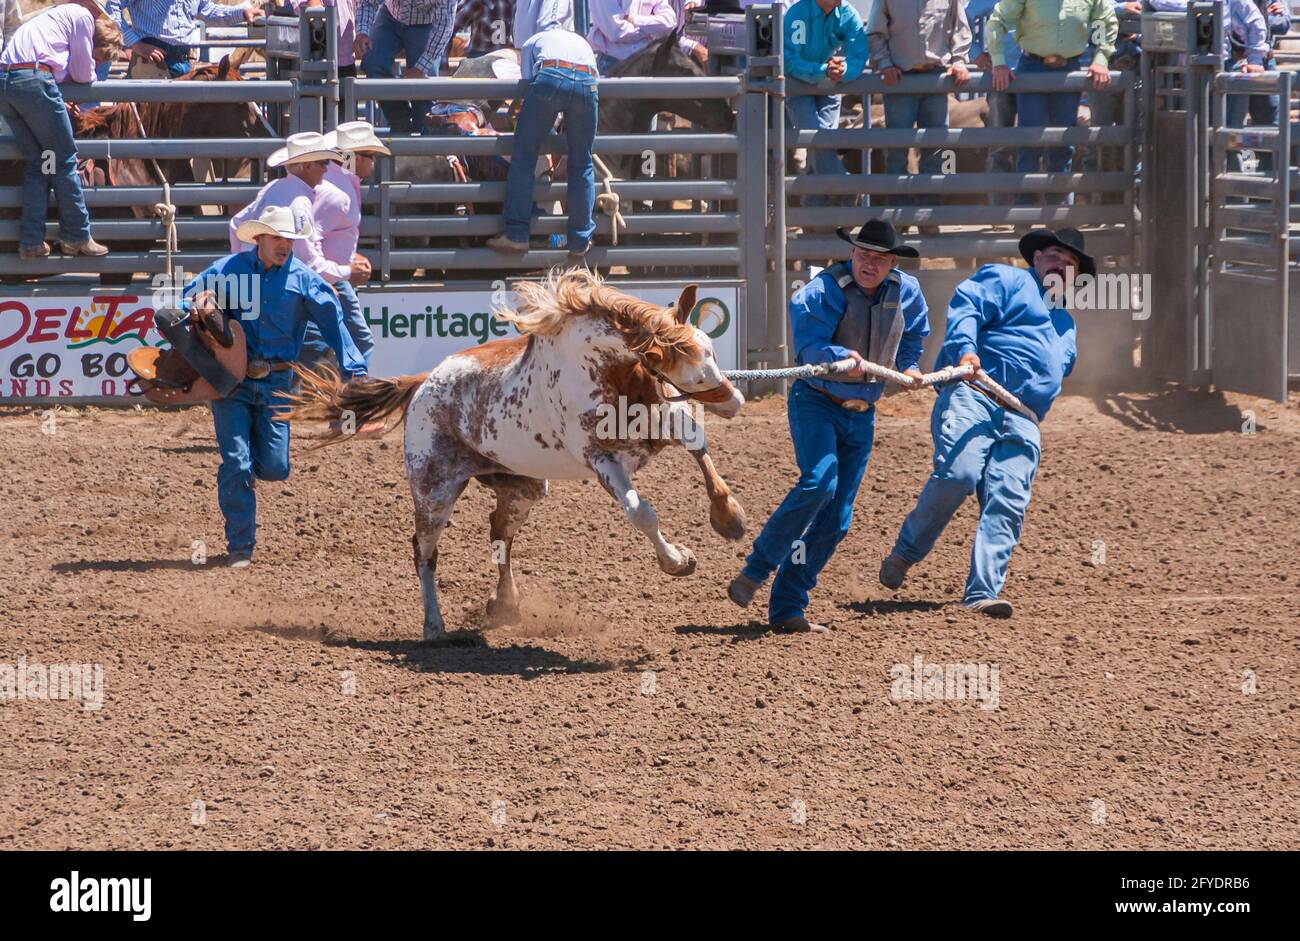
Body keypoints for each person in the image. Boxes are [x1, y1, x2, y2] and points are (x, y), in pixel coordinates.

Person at [727, 218, 930, 633]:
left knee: (838, 517)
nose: (869, 264)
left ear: (892, 262)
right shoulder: (821, 292)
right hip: (817, 401)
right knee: (819, 483)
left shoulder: (906, 291)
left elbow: (915, 336)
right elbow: (808, 347)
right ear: (851, 254)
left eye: (879, 258)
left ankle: (787, 606)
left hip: (863, 412)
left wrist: (908, 365)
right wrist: (841, 354)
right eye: (862, 255)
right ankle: (757, 568)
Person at [879, 227, 1087, 618]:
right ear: (1037, 258)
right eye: (1057, 256)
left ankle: (982, 592)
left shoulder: (1067, 325)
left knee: (1007, 500)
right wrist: (966, 351)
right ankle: (906, 552)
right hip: (975, 393)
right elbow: (968, 305)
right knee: (959, 473)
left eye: (1072, 264)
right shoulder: (1006, 278)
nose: (1062, 266)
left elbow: (1060, 368)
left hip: (1024, 418)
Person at [189, 205, 368, 568]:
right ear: (259, 239)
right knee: (236, 463)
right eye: (277, 238)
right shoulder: (228, 270)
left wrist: (354, 368)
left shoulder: (305, 281)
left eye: (289, 239)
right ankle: (240, 547)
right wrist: (194, 307)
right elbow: (188, 295)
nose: (284, 245)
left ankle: (242, 478)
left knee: (274, 466)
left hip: (277, 382)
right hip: (231, 382)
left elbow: (334, 323)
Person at [0, 0, 123, 260]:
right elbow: (82, 74)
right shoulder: (82, 18)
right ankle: (77, 235)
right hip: (33, 81)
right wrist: (87, 70)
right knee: (65, 160)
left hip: (8, 82)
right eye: (98, 56)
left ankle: (32, 240)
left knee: (42, 160)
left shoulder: (51, 22)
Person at [986, 0, 1117, 205]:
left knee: (1063, 140)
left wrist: (1101, 58)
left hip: (1068, 67)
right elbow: (998, 20)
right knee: (1029, 137)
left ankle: (1059, 209)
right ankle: (1025, 207)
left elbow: (1104, 20)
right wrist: (999, 62)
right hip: (1033, 65)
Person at [486, 16, 597, 256]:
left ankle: (516, 234)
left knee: (524, 157)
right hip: (588, 80)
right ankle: (580, 240)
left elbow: (527, 87)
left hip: (551, 75)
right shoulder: (579, 40)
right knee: (583, 162)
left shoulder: (530, 43)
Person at [299, 120, 389, 371]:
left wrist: (348, 254)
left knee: (328, 343)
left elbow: (321, 235)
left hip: (328, 273)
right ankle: (352, 402)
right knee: (359, 341)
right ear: (356, 158)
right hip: (330, 277)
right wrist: (330, 275)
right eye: (370, 156)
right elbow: (308, 240)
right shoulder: (337, 193)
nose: (373, 163)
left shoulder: (337, 184)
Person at [867, 0, 970, 213]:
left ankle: (928, 213)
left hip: (936, 77)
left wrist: (959, 60)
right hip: (900, 77)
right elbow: (875, 32)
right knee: (896, 150)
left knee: (936, 148)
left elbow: (960, 27)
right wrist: (884, 64)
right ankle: (898, 214)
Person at [228, 131, 357, 289]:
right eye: (323, 163)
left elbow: (236, 224)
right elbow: (308, 263)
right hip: (279, 285)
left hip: (256, 279)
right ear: (308, 166)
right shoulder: (300, 203)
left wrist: (242, 265)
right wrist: (348, 271)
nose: (326, 169)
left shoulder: (273, 187)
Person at [782, 0, 867, 207]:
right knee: (820, 141)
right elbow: (789, 60)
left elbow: (858, 54)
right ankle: (846, 188)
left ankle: (812, 210)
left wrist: (843, 69)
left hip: (829, 85)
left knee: (819, 145)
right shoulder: (798, 15)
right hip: (800, 87)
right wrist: (824, 71)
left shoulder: (847, 14)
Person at [355, 0, 460, 132]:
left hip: (426, 22)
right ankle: (400, 120)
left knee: (424, 85)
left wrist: (421, 67)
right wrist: (362, 31)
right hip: (391, 16)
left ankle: (425, 138)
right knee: (372, 62)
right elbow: (367, 2)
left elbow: (445, 25)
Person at [103, 0, 262, 79]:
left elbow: (206, 10)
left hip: (185, 61)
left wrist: (242, 13)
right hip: (151, 59)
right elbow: (112, 6)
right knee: (149, 125)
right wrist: (134, 43)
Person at [966, 0, 1020, 207]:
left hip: (1038, 70)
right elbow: (964, 19)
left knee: (1042, 143)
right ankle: (999, 210)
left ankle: (1031, 211)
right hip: (1001, 74)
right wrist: (975, 53)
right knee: (999, 145)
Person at [587, 0, 677, 75]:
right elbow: (617, 32)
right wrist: (652, 29)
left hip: (648, 64)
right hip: (613, 64)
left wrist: (634, 20)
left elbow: (670, 23)